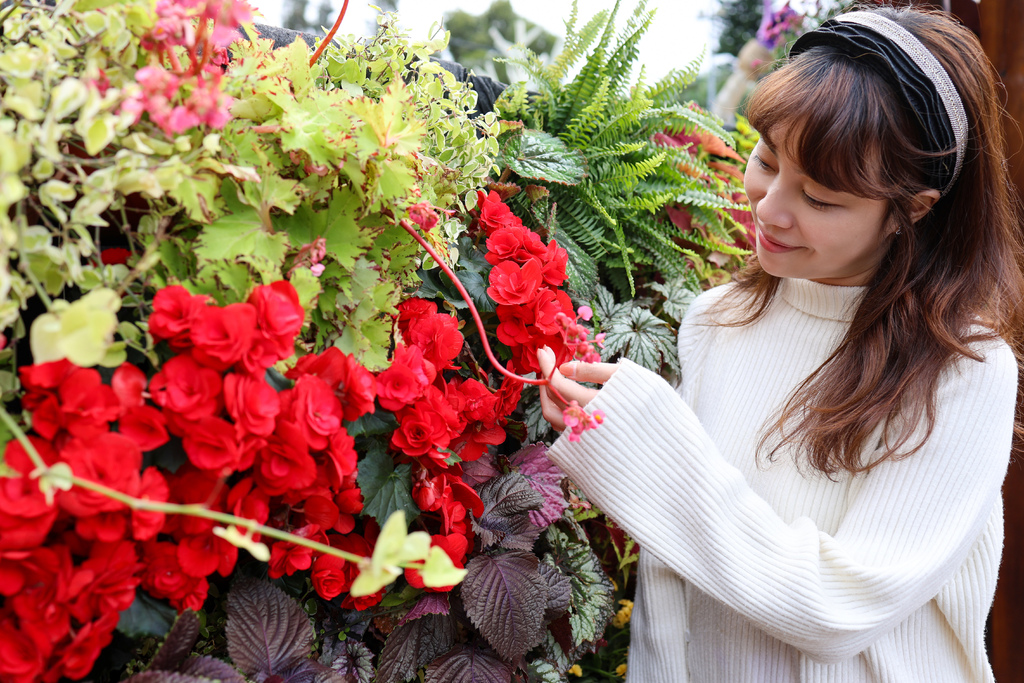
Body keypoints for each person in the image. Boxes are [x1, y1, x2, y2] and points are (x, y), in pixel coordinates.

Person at [537, 5, 1023, 682]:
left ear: (911, 210)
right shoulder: (717, 320)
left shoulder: (963, 371)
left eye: (820, 198)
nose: (768, 207)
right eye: (767, 159)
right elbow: (669, 594)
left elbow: (837, 608)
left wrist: (653, 450)